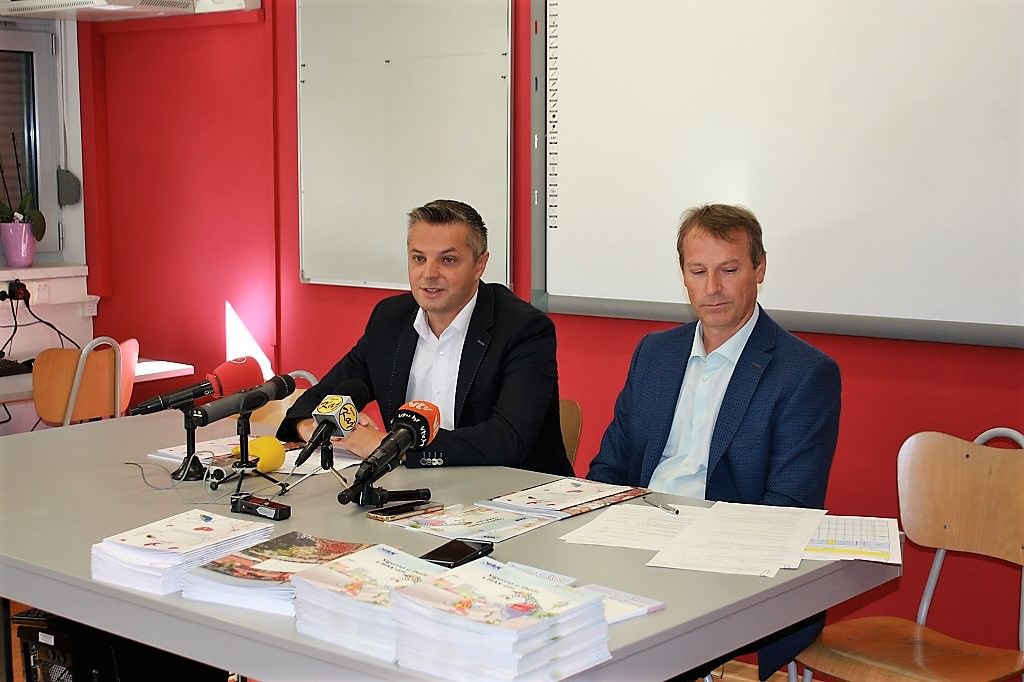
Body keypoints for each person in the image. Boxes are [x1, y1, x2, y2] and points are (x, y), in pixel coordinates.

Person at [586, 203, 841, 680]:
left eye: (729, 270)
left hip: (724, 555)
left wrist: (688, 545)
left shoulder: (804, 373)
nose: (712, 288)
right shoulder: (655, 353)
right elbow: (609, 466)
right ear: (683, 274)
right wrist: (604, 529)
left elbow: (788, 507)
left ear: (759, 269)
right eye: (698, 271)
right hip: (636, 538)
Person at [277, 199, 573, 476]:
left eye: (448, 260)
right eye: (419, 258)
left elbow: (508, 440)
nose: (429, 273)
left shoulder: (523, 329)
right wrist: (311, 427)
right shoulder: (390, 320)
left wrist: (389, 446)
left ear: (479, 265)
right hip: (409, 487)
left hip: (508, 492)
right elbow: (316, 401)